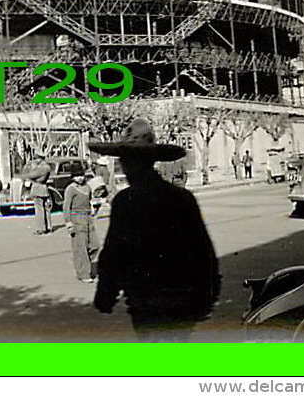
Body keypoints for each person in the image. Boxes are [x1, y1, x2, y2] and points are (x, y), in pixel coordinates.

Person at [90, 118, 221, 343]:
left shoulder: (126, 200)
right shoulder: (182, 198)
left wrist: (106, 293)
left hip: (146, 301)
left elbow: (114, 251)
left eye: (126, 160)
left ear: (134, 163)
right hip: (183, 300)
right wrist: (207, 295)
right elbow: (203, 251)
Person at [63, 171, 98, 281]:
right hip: (76, 218)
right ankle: (83, 274)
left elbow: (90, 201)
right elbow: (66, 206)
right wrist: (68, 222)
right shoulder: (71, 188)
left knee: (95, 245)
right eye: (77, 176)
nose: (80, 178)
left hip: (88, 218)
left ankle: (81, 262)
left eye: (81, 175)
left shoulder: (87, 187)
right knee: (81, 246)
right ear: (73, 177)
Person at [23, 154, 52, 234]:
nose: (35, 160)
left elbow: (31, 175)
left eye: (36, 158)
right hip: (44, 188)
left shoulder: (40, 168)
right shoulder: (47, 167)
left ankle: (41, 228)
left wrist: (33, 168)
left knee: (39, 209)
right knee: (45, 209)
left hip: (38, 188)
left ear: (40, 159)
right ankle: (48, 226)